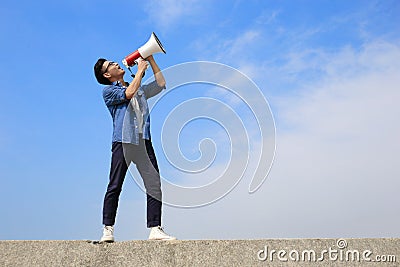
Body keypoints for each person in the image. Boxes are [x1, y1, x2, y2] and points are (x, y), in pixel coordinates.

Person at [93, 55, 176, 242]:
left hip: (143, 140)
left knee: (154, 184)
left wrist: (151, 60)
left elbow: (161, 83)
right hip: (123, 141)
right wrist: (139, 71)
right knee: (115, 185)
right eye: (111, 65)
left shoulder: (136, 87)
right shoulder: (108, 91)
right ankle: (108, 229)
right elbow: (128, 94)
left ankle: (155, 228)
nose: (116, 64)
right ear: (107, 74)